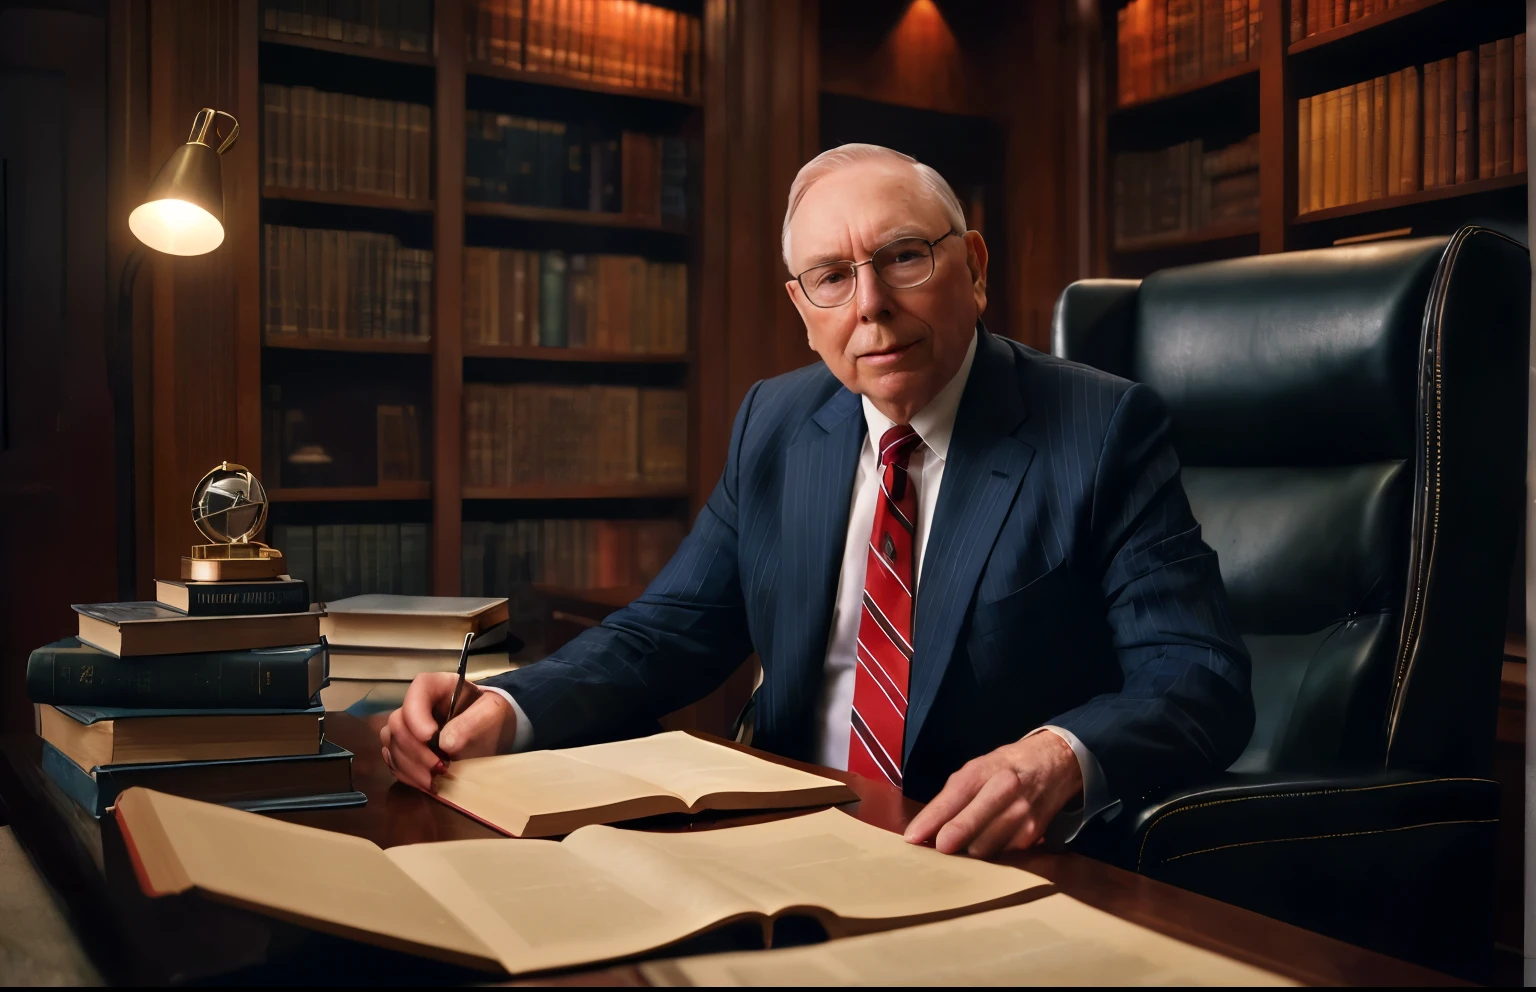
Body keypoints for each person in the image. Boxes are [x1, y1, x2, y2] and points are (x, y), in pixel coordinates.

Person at [382, 143, 1254, 857]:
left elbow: (1196, 676)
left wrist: (1054, 757)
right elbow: (666, 635)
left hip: (977, 863)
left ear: (975, 267)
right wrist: (509, 704)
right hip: (777, 843)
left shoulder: (1098, 429)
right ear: (802, 307)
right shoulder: (778, 421)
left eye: (904, 257)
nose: (871, 305)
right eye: (832, 277)